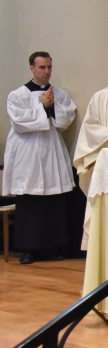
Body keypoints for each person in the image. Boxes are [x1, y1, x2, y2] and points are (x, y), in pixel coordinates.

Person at [3, 52, 77, 264]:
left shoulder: (59, 94)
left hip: (51, 149)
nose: (46, 72)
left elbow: (66, 119)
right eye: (42, 67)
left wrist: (53, 106)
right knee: (31, 200)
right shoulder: (18, 95)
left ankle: (50, 248)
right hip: (28, 151)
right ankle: (29, 250)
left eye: (49, 67)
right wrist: (42, 107)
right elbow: (19, 122)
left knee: (52, 201)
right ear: (32, 68)